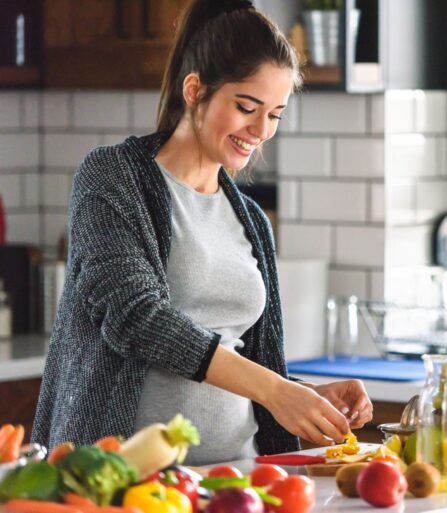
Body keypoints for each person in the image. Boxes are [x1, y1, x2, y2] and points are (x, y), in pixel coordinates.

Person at [31, 0, 373, 464]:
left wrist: (303, 394)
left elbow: (239, 362)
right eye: (247, 107)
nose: (261, 130)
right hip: (127, 480)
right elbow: (136, 317)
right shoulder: (112, 177)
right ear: (194, 90)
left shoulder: (251, 220)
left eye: (275, 114)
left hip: (240, 476)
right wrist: (275, 390)